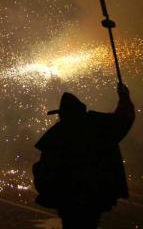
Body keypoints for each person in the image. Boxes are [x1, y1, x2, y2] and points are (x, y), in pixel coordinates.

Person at [33, 83, 135, 229]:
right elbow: (124, 118)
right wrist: (124, 97)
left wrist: (45, 187)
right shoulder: (97, 124)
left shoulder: (59, 133)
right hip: (95, 193)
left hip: (69, 197)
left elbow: (46, 167)